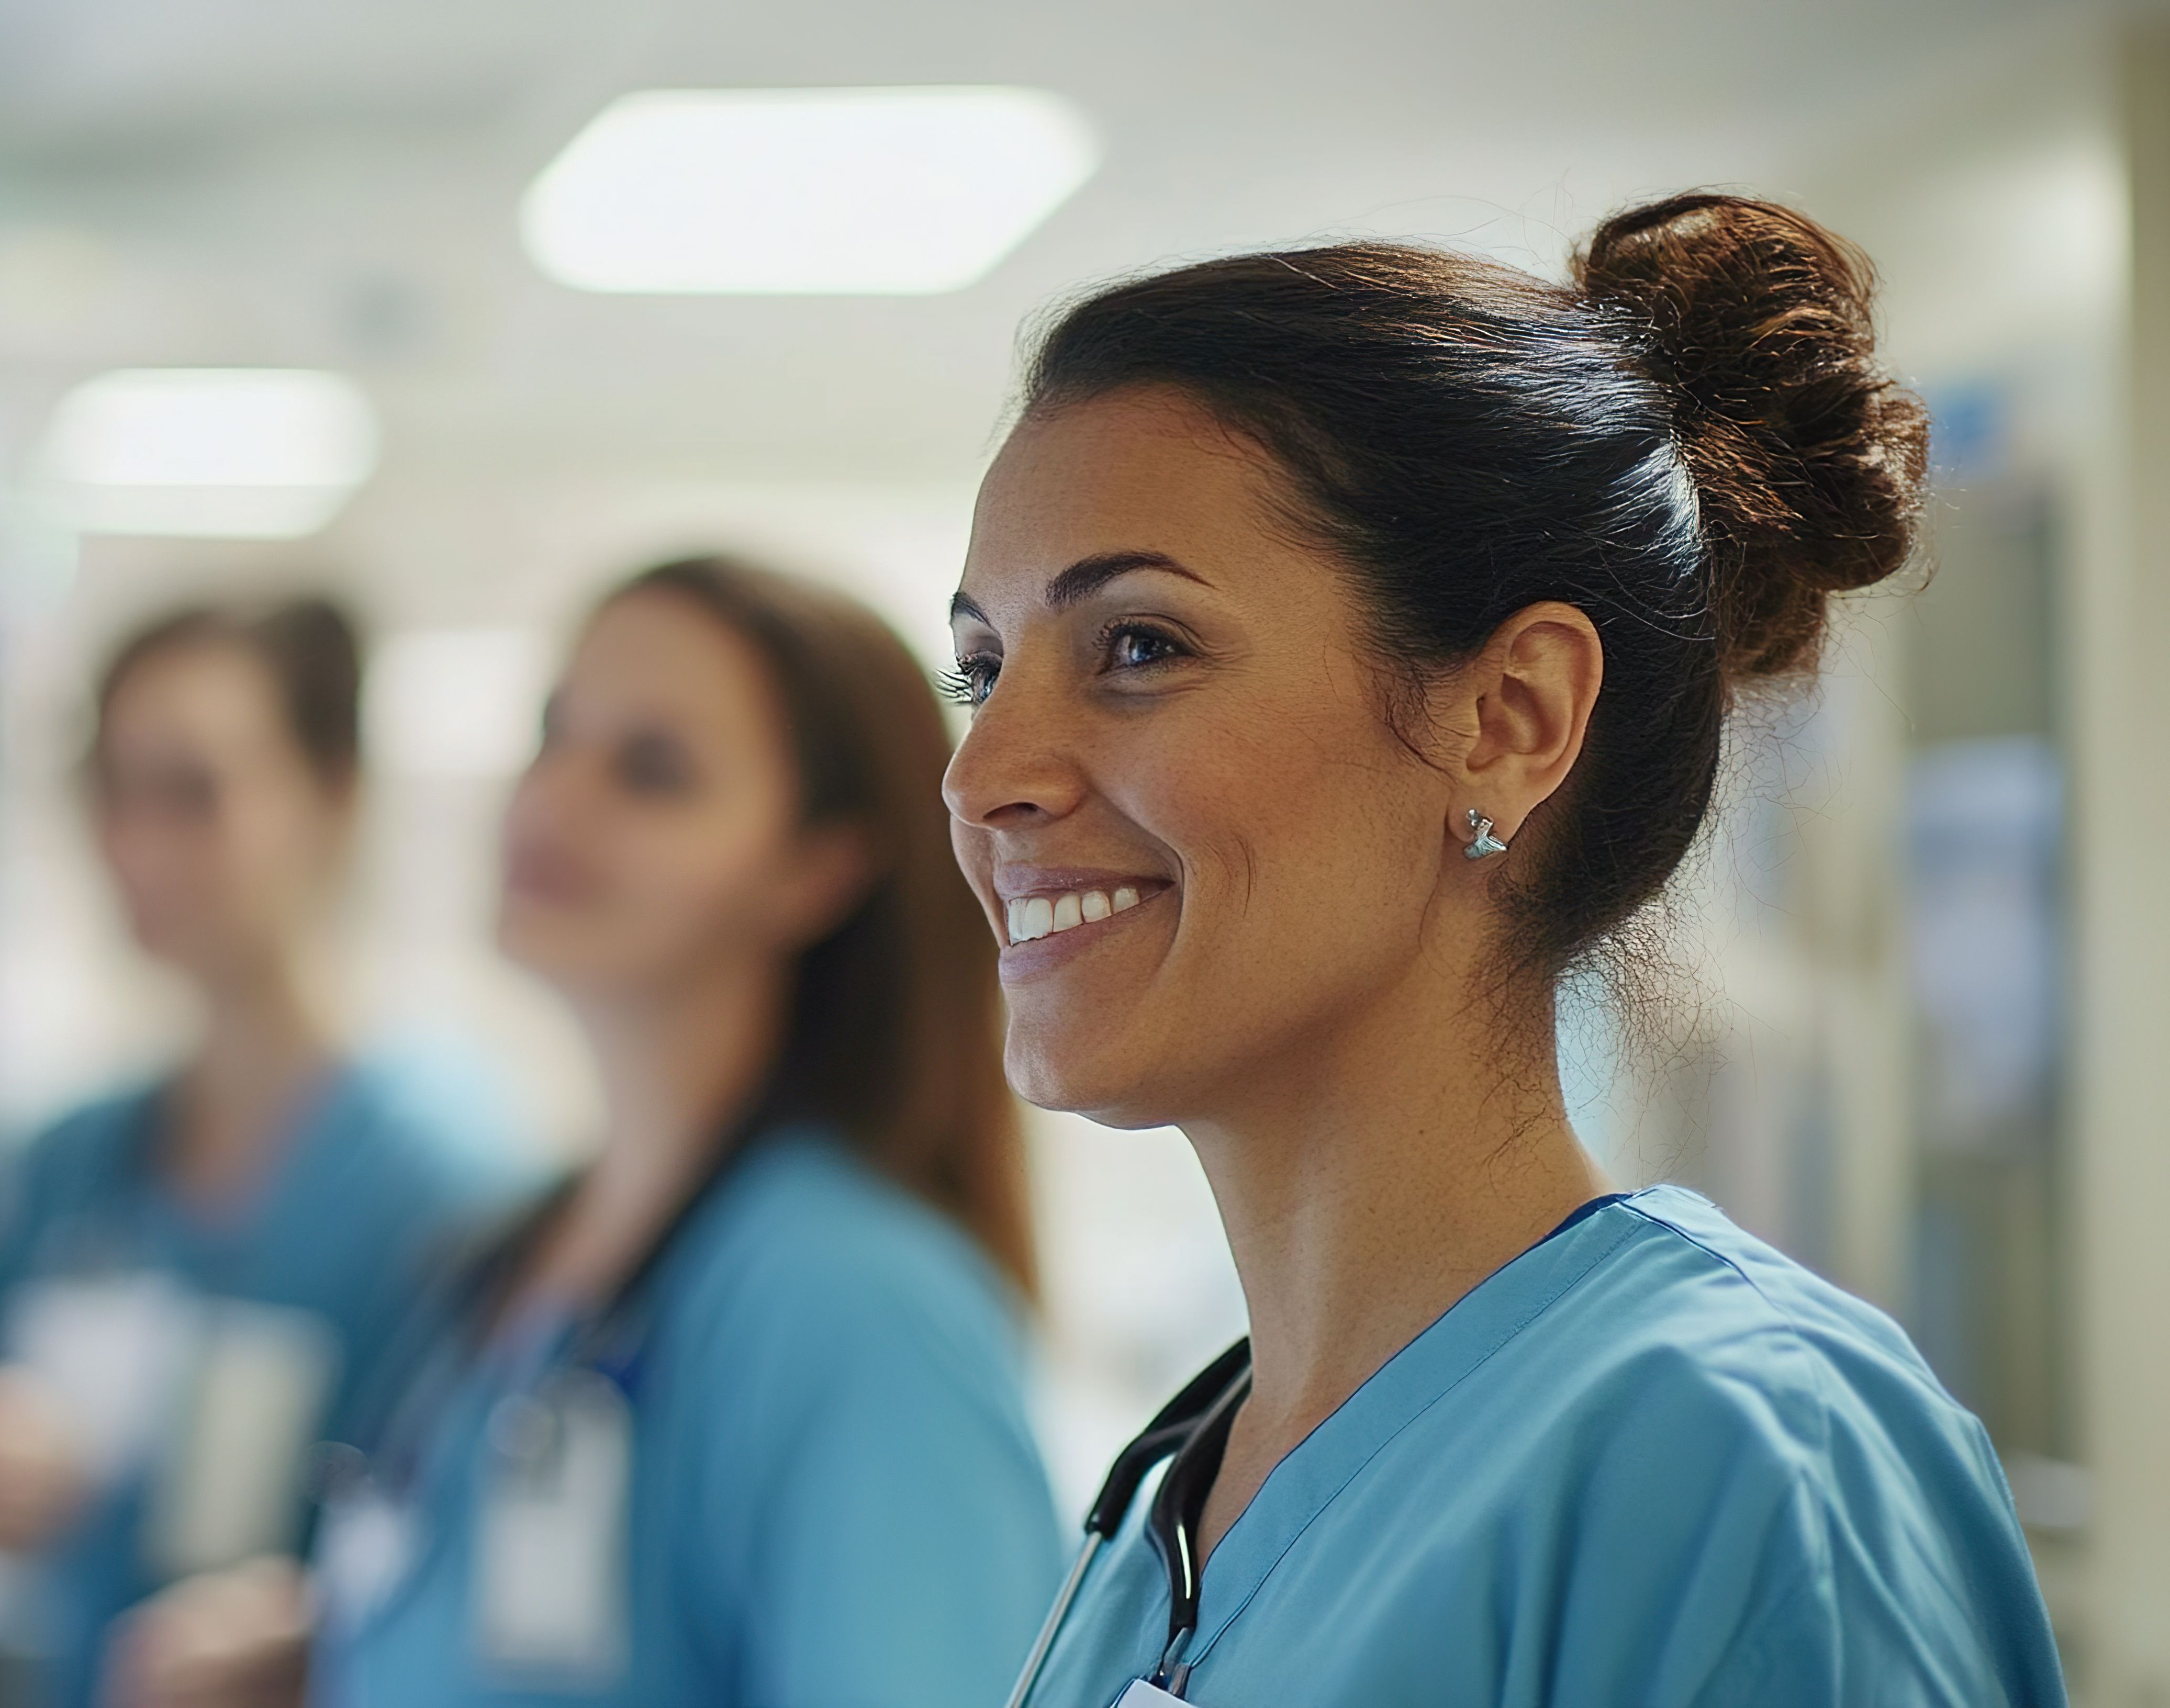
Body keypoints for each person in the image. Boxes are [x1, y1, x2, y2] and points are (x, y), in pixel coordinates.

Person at [949, 194, 2065, 1706]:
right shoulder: (1176, 1502)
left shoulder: (1739, 1461)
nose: (986, 772)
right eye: (982, 669)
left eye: (1140, 646)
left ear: (1511, 720)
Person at [111, 557, 1065, 1708]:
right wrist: (319, 1659)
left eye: (649, 772)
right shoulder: (530, 1254)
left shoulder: (857, 1310)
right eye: (553, 734)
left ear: (817, 869)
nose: (552, 801)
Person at [0, 597, 524, 1708]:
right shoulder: (68, 1160)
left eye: (192, 794)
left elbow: (476, 1576)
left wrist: (304, 1637)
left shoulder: (451, 1189)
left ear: (334, 801)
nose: (133, 845)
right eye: (110, 792)